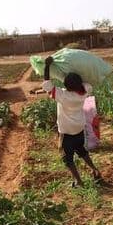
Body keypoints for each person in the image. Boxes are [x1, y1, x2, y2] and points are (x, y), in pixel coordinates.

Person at [40, 56, 103, 188]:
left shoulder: (62, 95)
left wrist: (47, 66)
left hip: (66, 132)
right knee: (81, 150)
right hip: (79, 129)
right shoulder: (84, 92)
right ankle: (95, 170)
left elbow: (47, 84)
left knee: (67, 158)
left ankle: (78, 181)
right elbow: (87, 84)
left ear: (66, 85)